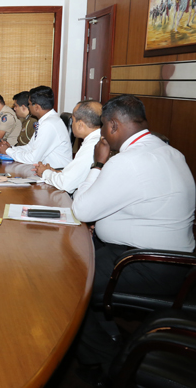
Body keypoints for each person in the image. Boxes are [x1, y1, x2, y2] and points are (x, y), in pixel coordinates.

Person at [71, 95, 195, 383]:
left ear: (113, 126)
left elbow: (80, 209)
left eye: (102, 128)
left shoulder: (127, 161)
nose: (101, 135)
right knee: (81, 255)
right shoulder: (171, 152)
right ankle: (107, 340)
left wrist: (98, 164)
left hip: (145, 264)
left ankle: (110, 362)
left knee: (65, 282)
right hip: (176, 264)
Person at [34, 100, 102, 194]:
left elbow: (65, 184)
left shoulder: (93, 146)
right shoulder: (97, 139)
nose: (71, 124)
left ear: (80, 125)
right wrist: (55, 173)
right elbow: (78, 174)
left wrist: (45, 173)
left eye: (73, 121)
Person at [0, 86, 72, 168]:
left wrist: (7, 151)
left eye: (29, 104)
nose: (28, 107)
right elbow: (30, 147)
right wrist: (10, 148)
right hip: (46, 171)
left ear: (37, 107)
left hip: (56, 173)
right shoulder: (46, 121)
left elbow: (33, 159)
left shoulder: (49, 124)